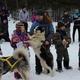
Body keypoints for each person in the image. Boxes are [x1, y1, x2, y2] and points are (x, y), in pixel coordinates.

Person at [30, 9, 54, 75]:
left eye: (40, 16)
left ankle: (48, 67)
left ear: (43, 16)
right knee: (38, 55)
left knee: (46, 55)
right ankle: (38, 69)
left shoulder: (48, 22)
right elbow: (31, 30)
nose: (38, 17)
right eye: (37, 16)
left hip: (46, 41)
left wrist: (48, 40)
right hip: (38, 42)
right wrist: (32, 34)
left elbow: (51, 32)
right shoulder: (35, 23)